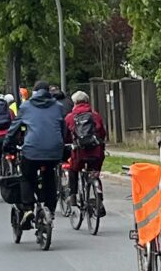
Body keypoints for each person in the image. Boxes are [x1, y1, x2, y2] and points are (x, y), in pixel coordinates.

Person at [8, 82, 69, 236]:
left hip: (32, 150)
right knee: (49, 177)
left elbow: (14, 128)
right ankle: (50, 208)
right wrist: (61, 145)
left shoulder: (26, 107)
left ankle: (28, 208)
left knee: (26, 177)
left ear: (34, 92)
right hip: (54, 151)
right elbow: (63, 129)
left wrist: (7, 144)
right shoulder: (58, 106)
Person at [64, 89, 107, 204]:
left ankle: (73, 196)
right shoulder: (95, 115)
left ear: (74, 103)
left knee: (72, 169)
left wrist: (68, 145)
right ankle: (99, 200)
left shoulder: (70, 117)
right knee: (94, 173)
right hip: (95, 152)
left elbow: (66, 136)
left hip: (79, 153)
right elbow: (102, 133)